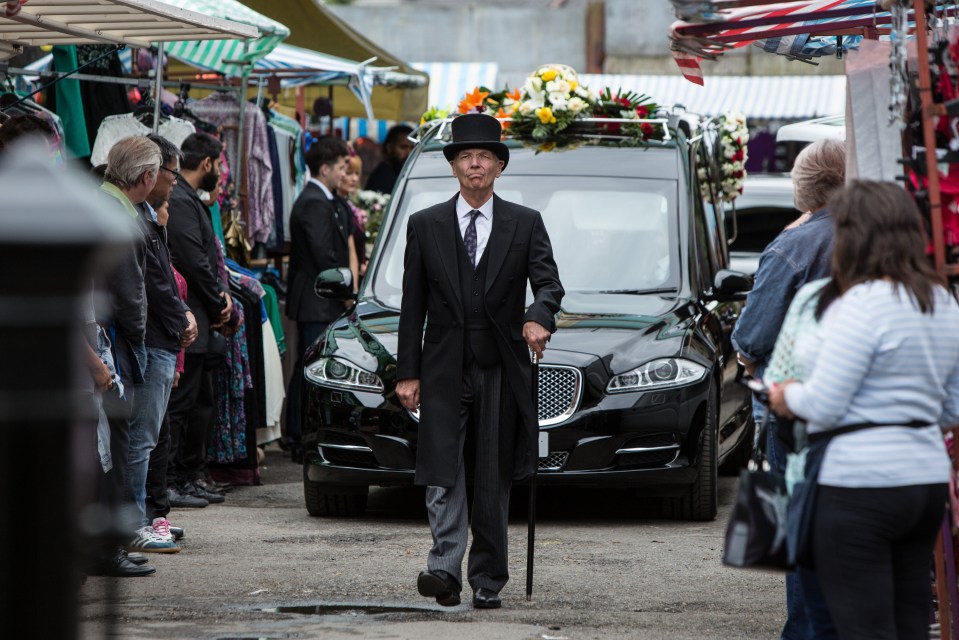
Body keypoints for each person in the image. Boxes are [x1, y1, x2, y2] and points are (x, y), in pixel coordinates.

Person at [769, 181, 959, 640]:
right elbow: (951, 407)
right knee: (910, 617)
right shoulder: (941, 301)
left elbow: (824, 405)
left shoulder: (857, 303)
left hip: (857, 482)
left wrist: (784, 396)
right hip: (923, 479)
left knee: (862, 623)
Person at [396, 113, 564, 610]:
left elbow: (549, 284)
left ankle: (488, 577)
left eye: (484, 157)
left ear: (498, 167)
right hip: (443, 365)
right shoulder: (424, 226)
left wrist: (538, 316)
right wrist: (408, 371)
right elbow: (413, 306)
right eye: (466, 157)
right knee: (442, 467)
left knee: (492, 474)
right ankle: (443, 570)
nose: (475, 164)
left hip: (499, 365)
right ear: (453, 167)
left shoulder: (525, 222)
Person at [730, 138, 845, 640]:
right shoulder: (879, 237)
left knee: (801, 531)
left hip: (796, 409)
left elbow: (751, 337)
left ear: (803, 187)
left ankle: (803, 630)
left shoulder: (792, 246)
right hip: (872, 416)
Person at [126, 134, 198, 551]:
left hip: (158, 337)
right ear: (150, 173)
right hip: (150, 338)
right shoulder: (136, 217)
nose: (175, 181)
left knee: (149, 438)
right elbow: (152, 283)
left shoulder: (147, 216)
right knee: (142, 439)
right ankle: (137, 521)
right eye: (171, 173)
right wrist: (182, 319)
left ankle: (148, 515)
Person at [97, 136, 158, 573]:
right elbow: (129, 293)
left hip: (100, 340)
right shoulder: (120, 215)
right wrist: (138, 342)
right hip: (110, 345)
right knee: (116, 448)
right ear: (146, 177)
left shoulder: (103, 202)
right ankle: (108, 549)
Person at [165, 132, 231, 507]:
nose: (220, 172)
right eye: (219, 165)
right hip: (193, 316)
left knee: (198, 402)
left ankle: (189, 474)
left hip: (202, 317)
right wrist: (218, 298)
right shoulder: (183, 201)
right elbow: (193, 259)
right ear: (207, 164)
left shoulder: (188, 201)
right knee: (183, 404)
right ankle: (173, 479)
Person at [285, 136, 355, 462]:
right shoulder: (314, 201)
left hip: (318, 297)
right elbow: (323, 254)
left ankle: (298, 434)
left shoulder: (321, 198)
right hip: (318, 298)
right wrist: (343, 293)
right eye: (341, 167)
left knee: (309, 366)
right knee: (310, 368)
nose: (344, 173)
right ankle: (298, 435)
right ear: (325, 168)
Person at [337, 148, 369, 285]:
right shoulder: (337, 207)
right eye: (349, 173)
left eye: (357, 173)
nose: (355, 178)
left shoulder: (350, 206)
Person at [364, 124, 413, 194]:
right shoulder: (382, 177)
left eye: (412, 148)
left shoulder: (400, 173)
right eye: (403, 147)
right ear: (389, 147)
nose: (409, 153)